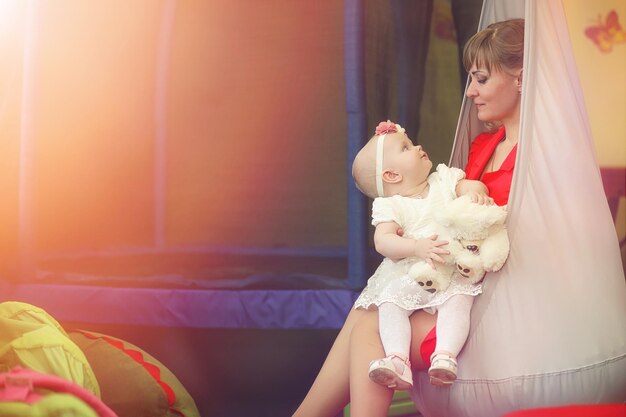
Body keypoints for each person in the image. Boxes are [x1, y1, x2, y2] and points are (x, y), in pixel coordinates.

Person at [292, 18, 523, 417]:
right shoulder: (485, 145)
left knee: (370, 320)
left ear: (520, 78)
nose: (470, 92)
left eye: (481, 79)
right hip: (456, 277)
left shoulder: (536, 156)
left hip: (496, 294)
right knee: (372, 305)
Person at [350, 120, 494, 392]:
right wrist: (415, 247)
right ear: (392, 175)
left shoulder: (442, 180)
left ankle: (445, 355)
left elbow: (467, 187)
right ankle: (397, 358)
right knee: (390, 303)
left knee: (458, 301)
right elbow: (383, 241)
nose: (417, 147)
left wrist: (476, 191)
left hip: (450, 269)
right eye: (406, 147)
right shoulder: (390, 206)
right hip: (411, 272)